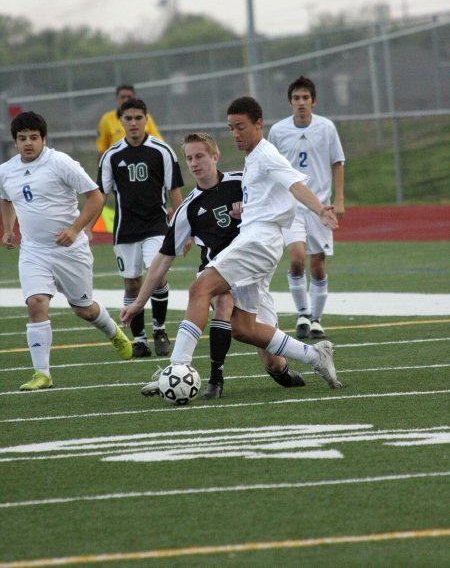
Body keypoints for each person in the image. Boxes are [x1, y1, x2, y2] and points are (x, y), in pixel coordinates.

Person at [121, 97, 343, 392]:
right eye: (231, 128)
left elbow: (294, 184)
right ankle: (315, 355)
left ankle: (176, 368)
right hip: (256, 244)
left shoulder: (264, 155)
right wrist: (139, 302)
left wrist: (320, 209)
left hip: (258, 242)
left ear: (258, 124)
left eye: (241, 127)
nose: (236, 134)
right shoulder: (248, 163)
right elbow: (164, 257)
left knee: (200, 288)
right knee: (244, 329)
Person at [0, 111, 132, 391]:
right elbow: (6, 199)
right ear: (15, 142)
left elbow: (96, 197)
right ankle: (42, 374)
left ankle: (113, 332)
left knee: (83, 309)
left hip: (70, 250)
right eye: (22, 139)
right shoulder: (6, 170)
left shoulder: (60, 162)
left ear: (44, 139)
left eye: (33, 138)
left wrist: (74, 229)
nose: (28, 143)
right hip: (34, 251)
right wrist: (9, 229)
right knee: (36, 303)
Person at [95, 97, 184, 358]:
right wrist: (86, 227)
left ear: (147, 119)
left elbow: (175, 191)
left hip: (157, 226)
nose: (133, 123)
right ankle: (140, 339)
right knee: (132, 285)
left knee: (157, 277)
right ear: (120, 121)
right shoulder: (111, 156)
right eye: (128, 118)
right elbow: (102, 195)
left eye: (138, 118)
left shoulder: (162, 151)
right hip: (125, 231)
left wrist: (182, 227)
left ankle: (159, 329)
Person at [268, 75, 345, 339]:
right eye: (296, 98)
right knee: (297, 259)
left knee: (318, 265)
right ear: (290, 102)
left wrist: (339, 200)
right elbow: (271, 167)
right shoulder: (278, 131)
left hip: (321, 207)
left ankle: (317, 318)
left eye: (305, 98)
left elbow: (338, 162)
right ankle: (302, 313)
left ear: (314, 101)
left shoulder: (326, 128)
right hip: (291, 207)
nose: (301, 103)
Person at [96, 84, 163, 162]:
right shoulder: (106, 119)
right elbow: (102, 149)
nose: (126, 100)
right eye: (122, 97)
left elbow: (158, 141)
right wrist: (100, 171)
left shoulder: (146, 117)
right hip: (118, 164)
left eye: (129, 97)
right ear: (117, 99)